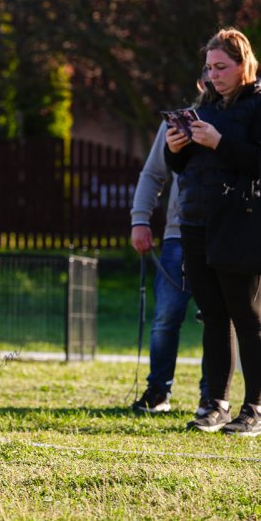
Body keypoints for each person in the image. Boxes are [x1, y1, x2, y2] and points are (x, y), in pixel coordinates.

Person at [165, 28, 261, 436]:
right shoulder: (204, 106)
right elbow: (185, 167)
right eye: (208, 68)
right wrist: (174, 149)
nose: (213, 75)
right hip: (195, 220)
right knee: (213, 316)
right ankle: (215, 403)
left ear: (243, 65)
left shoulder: (257, 105)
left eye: (221, 67)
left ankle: (255, 407)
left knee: (247, 317)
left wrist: (219, 142)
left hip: (239, 222)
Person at [129, 115, 209, 415]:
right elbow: (152, 174)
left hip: (225, 236)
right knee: (166, 316)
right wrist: (140, 219)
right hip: (179, 234)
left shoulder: (243, 116)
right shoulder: (178, 121)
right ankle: (158, 390)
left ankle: (213, 396)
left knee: (217, 320)